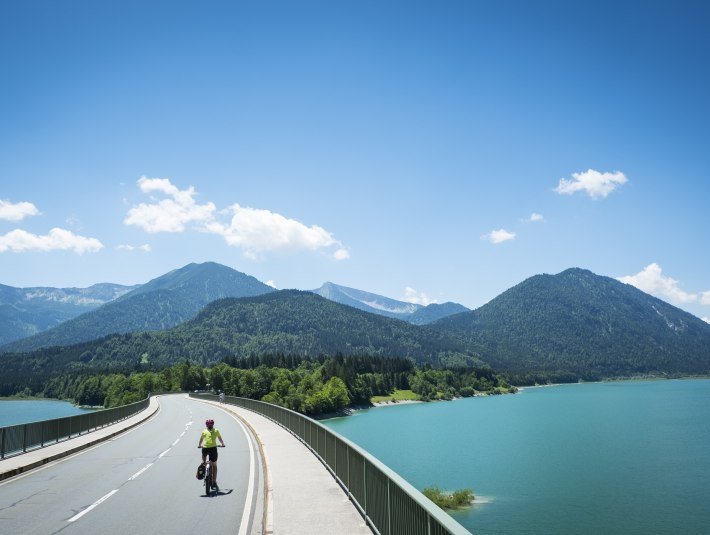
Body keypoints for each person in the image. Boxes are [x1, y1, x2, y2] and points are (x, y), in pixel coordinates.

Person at [197, 418, 225, 491]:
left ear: (206, 425)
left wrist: (199, 445)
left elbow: (201, 439)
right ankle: (214, 481)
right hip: (213, 449)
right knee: (214, 465)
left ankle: (204, 468)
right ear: (213, 424)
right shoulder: (216, 430)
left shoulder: (204, 431)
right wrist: (222, 444)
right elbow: (220, 438)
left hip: (205, 449)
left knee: (204, 462)